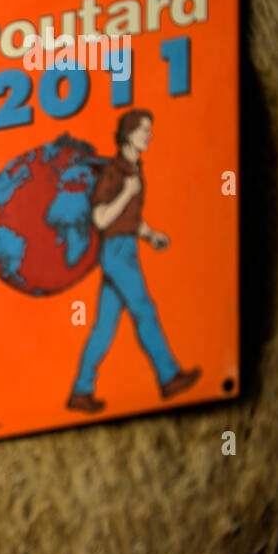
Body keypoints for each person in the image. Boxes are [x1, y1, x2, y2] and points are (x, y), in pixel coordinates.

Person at [67, 109, 199, 412]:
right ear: (128, 134)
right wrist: (127, 193)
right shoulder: (115, 174)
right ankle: (168, 377)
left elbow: (128, 219)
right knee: (144, 310)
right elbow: (100, 219)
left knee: (104, 327)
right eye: (144, 130)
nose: (149, 136)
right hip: (116, 251)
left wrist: (150, 235)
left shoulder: (133, 171)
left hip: (125, 247)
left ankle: (80, 390)